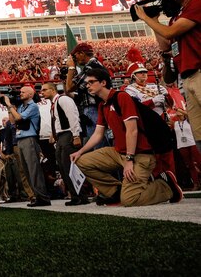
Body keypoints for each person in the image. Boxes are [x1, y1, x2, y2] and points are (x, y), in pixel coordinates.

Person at [69, 68, 182, 206]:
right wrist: (80, 152)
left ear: (103, 82)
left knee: (129, 200)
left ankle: (166, 187)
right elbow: (98, 134)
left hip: (139, 154)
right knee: (82, 161)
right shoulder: (102, 105)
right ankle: (115, 192)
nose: (88, 86)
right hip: (119, 153)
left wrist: (129, 159)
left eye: (91, 82)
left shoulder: (121, 97)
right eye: (86, 83)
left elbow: (132, 130)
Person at [135, 0, 200, 148]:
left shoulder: (196, 4)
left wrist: (146, 18)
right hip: (186, 77)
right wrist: (155, 21)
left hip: (199, 72)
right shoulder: (177, 17)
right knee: (198, 132)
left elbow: (170, 33)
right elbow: (165, 44)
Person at [1, 87, 50, 207]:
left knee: (33, 169)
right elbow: (13, 121)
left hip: (29, 139)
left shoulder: (33, 106)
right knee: (26, 171)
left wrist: (9, 104)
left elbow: (18, 118)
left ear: (30, 94)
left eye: (23, 92)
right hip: (20, 139)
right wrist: (10, 107)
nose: (20, 94)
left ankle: (42, 196)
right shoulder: (22, 106)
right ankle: (36, 196)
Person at [41, 83, 89, 205]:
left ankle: (80, 195)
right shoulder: (54, 103)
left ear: (53, 90)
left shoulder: (63, 99)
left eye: (45, 90)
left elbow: (73, 116)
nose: (42, 92)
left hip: (68, 134)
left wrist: (76, 135)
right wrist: (54, 134)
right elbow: (58, 121)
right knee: (63, 167)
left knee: (69, 166)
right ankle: (75, 195)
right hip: (62, 136)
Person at [64, 42, 106, 145]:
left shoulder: (90, 67)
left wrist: (71, 68)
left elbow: (69, 87)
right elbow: (86, 93)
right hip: (97, 107)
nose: (75, 59)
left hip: (94, 109)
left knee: (98, 146)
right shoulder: (96, 64)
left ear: (82, 53)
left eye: (75, 55)